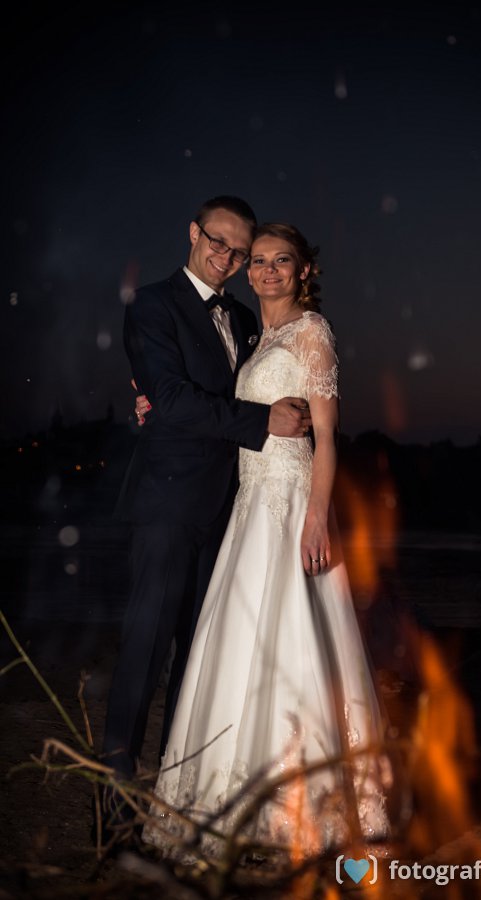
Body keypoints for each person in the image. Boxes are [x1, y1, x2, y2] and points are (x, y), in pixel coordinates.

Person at [141, 223, 389, 858]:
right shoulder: (257, 337)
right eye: (257, 261)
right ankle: (235, 797)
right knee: (242, 640)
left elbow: (327, 437)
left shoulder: (312, 332)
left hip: (291, 502)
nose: (267, 270)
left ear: (304, 270)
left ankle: (302, 807)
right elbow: (213, 404)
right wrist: (153, 404)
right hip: (249, 505)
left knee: (293, 637)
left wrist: (317, 517)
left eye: (282, 261)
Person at [101, 199, 311, 829]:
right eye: (217, 242)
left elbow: (241, 386)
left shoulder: (244, 318)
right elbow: (170, 397)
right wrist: (260, 421)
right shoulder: (152, 305)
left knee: (199, 659)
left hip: (230, 511)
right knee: (145, 649)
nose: (227, 258)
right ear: (193, 233)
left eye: (239, 252)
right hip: (167, 504)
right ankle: (112, 806)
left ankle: (178, 798)